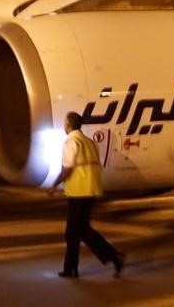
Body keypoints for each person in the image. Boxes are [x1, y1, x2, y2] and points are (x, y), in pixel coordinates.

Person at [49, 111, 125, 279]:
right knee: (73, 231)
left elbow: (67, 168)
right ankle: (71, 269)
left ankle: (113, 256)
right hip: (91, 189)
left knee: (79, 230)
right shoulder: (89, 142)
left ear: (68, 125)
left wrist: (54, 185)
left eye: (64, 123)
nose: (64, 126)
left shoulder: (71, 142)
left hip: (79, 191)